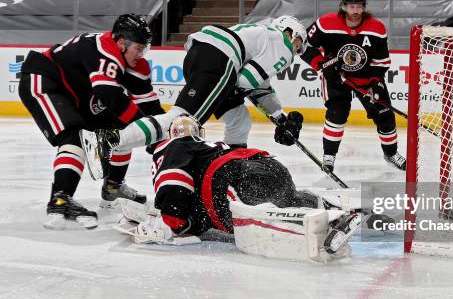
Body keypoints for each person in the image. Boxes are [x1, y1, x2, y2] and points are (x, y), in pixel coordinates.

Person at [91, 16, 308, 175]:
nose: (296, 51)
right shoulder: (283, 44)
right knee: (181, 120)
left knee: (240, 121)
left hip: (202, 53)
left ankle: (231, 166)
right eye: (299, 46)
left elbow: (260, 86)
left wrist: (281, 118)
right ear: (292, 33)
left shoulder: (262, 34)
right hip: (222, 60)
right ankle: (113, 140)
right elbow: (245, 81)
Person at [130, 115, 360, 261]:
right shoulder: (213, 146)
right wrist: (191, 223)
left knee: (260, 217)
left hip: (233, 178)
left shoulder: (173, 144)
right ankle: (341, 207)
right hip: (267, 165)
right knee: (289, 198)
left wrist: (173, 221)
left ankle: (311, 227)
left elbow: (173, 182)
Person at [18, 13, 163, 229]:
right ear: (122, 43)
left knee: (123, 128)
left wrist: (165, 132)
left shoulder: (133, 63)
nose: (141, 54)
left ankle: (113, 186)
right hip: (45, 80)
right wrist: (151, 134)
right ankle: (60, 200)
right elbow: (110, 96)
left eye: (145, 48)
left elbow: (151, 108)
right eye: (138, 48)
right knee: (73, 138)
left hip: (77, 95)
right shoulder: (106, 50)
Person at [300, 0, 406, 172]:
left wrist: (375, 83)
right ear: (343, 6)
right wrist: (322, 65)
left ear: (364, 7)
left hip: (365, 77)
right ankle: (329, 157)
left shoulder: (377, 28)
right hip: (336, 77)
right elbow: (303, 46)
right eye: (351, 6)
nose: (355, 11)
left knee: (385, 116)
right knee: (337, 114)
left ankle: (391, 154)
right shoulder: (326, 23)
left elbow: (381, 62)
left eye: (359, 6)